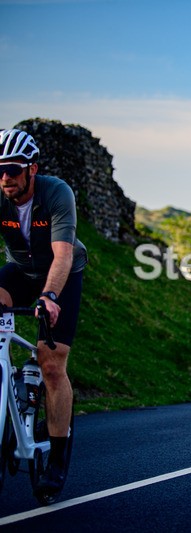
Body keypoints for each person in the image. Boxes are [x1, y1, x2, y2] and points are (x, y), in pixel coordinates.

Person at [0, 128, 87, 498]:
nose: (5, 177)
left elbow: (63, 254)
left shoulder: (56, 193)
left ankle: (57, 460)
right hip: (20, 272)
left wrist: (49, 296)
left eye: (13, 169)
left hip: (61, 274)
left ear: (31, 169)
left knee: (51, 365)